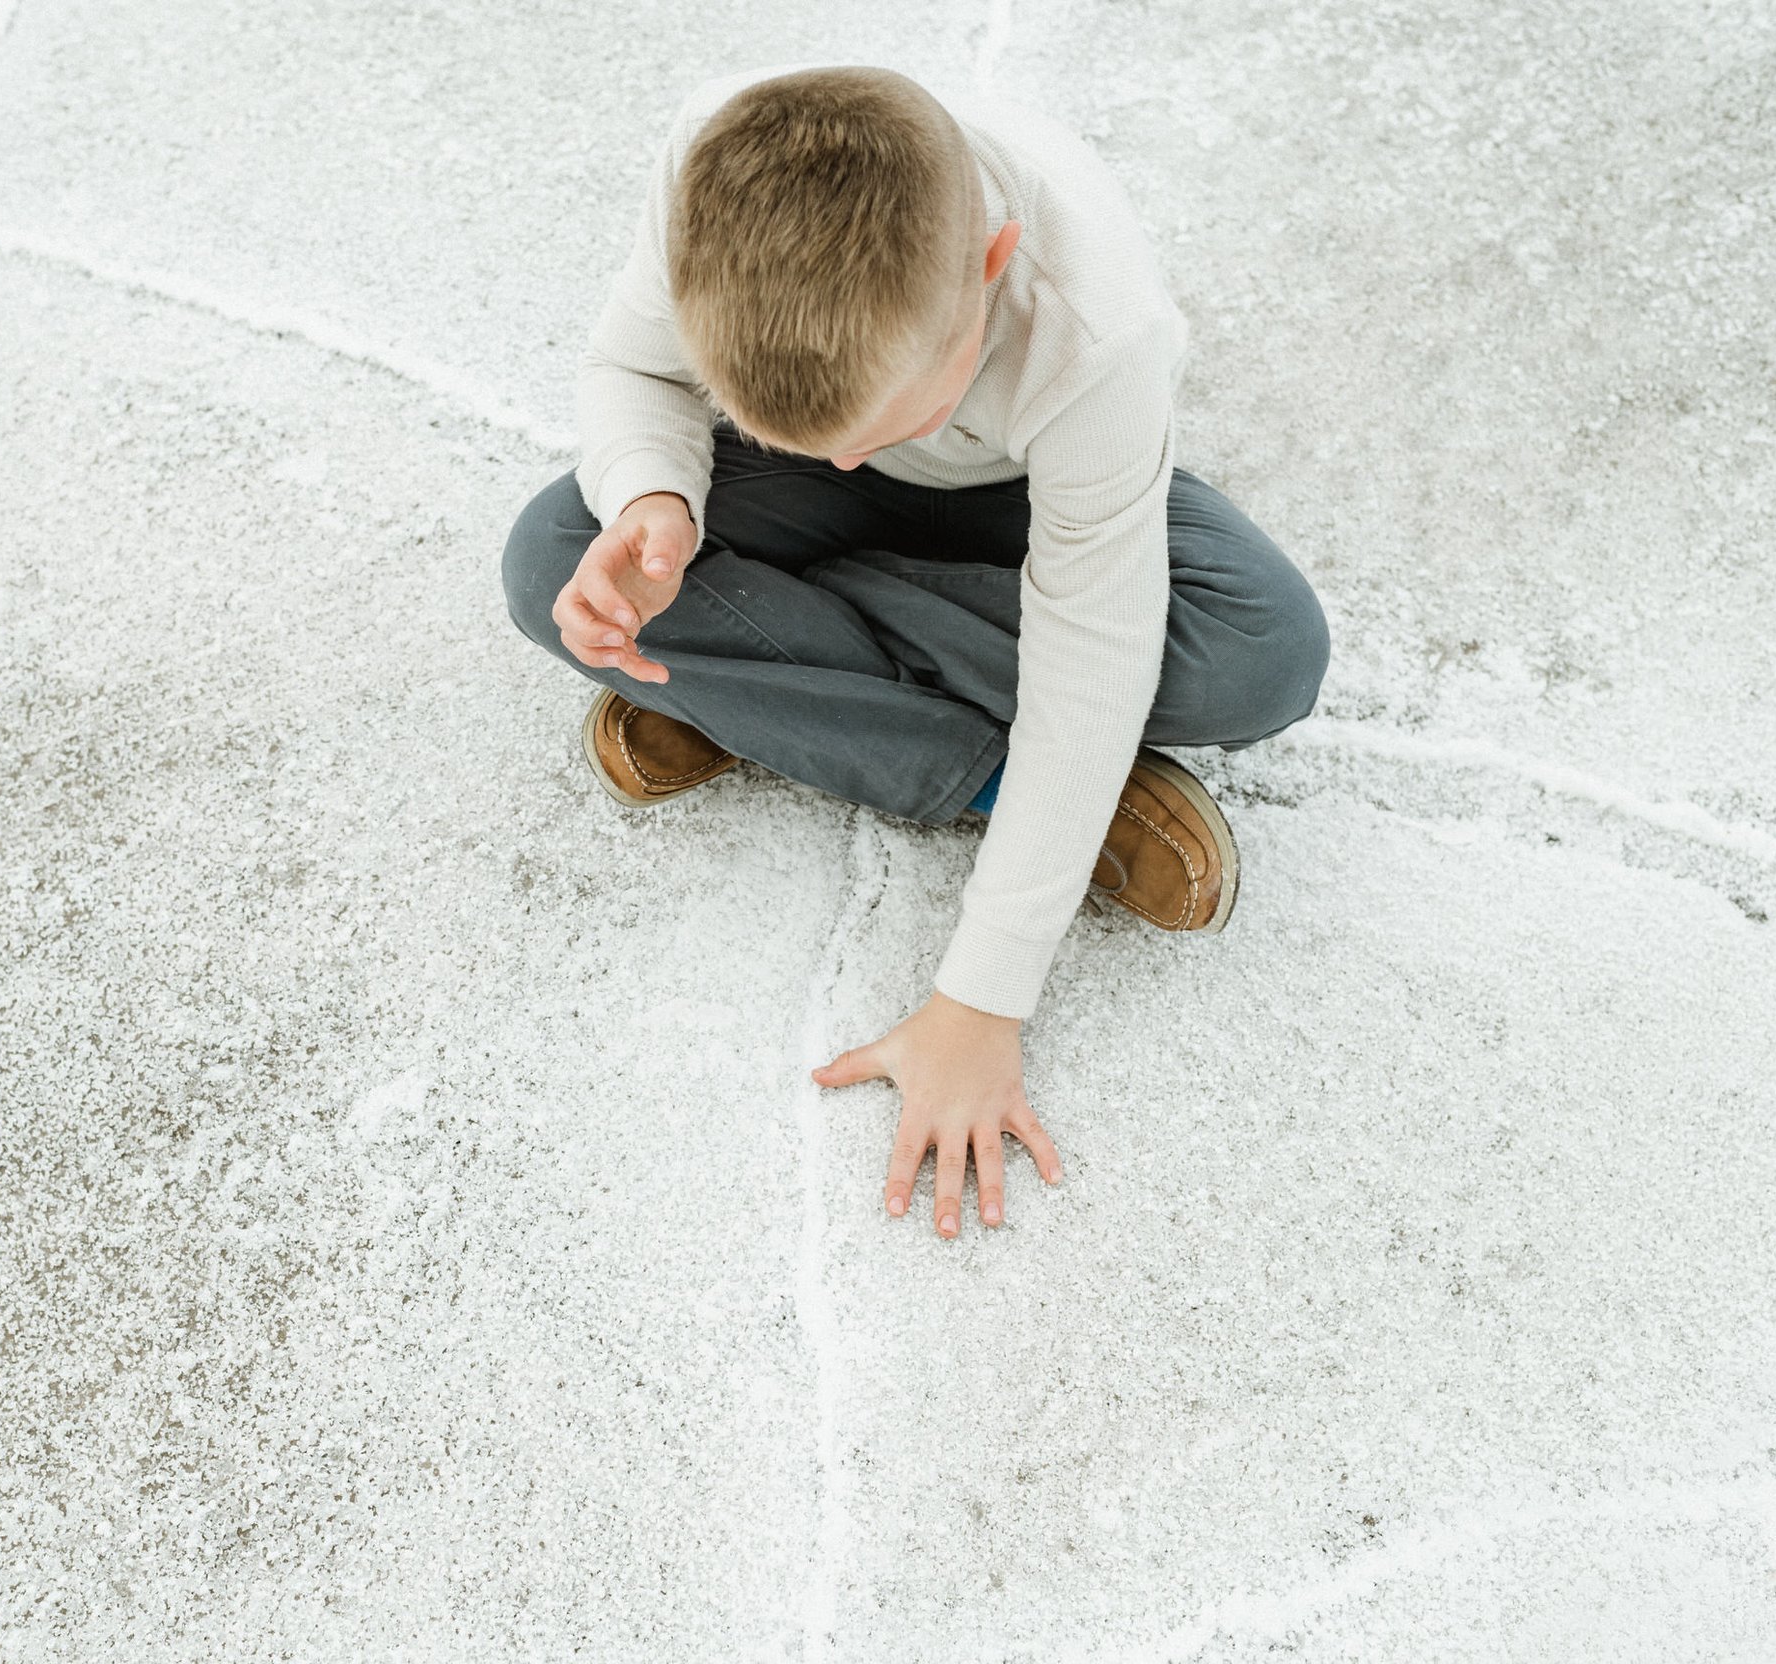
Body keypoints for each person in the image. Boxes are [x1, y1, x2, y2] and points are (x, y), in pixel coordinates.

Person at [500, 65, 1328, 1241]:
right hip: (777, 501)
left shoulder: (1097, 327)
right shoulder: (709, 173)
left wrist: (981, 998)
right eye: (816, 437)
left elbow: (1095, 638)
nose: (852, 460)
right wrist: (660, 502)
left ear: (989, 271)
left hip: (1030, 502)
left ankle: (764, 683)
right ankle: (993, 773)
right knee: (547, 559)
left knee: (1261, 656)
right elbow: (632, 368)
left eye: (882, 426)